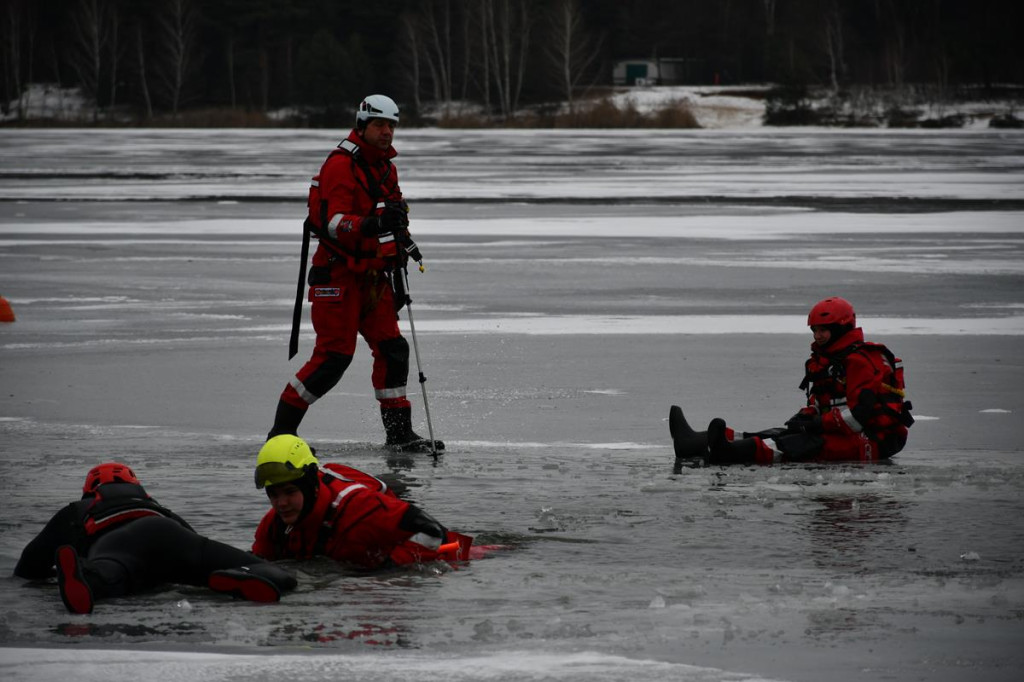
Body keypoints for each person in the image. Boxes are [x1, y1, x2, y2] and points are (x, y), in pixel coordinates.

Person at [268, 93, 442, 453]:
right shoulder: (340, 166)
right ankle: (281, 435)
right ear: (363, 126)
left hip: (373, 278)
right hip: (337, 277)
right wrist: (373, 223)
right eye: (380, 125)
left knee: (393, 349)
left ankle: (399, 435)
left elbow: (394, 213)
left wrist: (402, 241)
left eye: (392, 126)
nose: (387, 132)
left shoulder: (385, 168)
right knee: (334, 357)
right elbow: (333, 223)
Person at [15, 462, 297, 614]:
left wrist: (58, 572)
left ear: (90, 491)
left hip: (117, 546)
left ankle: (86, 577)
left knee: (109, 573)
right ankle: (241, 574)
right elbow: (193, 539)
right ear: (137, 487)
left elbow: (29, 566)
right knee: (237, 565)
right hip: (172, 537)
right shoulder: (160, 509)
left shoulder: (79, 509)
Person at [670, 297, 914, 466]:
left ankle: (728, 453)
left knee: (797, 444)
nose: (818, 336)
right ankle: (694, 442)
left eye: (823, 330)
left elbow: (860, 416)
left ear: (841, 328)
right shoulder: (824, 360)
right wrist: (807, 416)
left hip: (876, 438)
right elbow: (820, 402)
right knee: (781, 432)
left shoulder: (858, 361)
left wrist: (815, 425)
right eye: (814, 330)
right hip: (839, 430)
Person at [252, 434, 472, 567]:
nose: (281, 503)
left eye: (289, 492)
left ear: (310, 486)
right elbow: (259, 561)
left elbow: (432, 531)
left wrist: (392, 568)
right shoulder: (274, 526)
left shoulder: (360, 508)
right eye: (273, 494)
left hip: (452, 555)